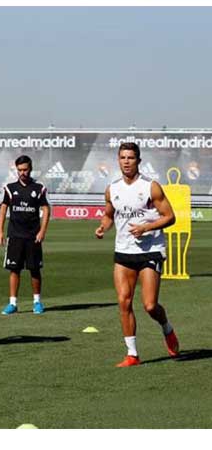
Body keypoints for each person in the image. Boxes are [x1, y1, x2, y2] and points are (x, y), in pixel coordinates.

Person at [95, 142, 179, 367]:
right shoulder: (112, 189)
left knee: (150, 305)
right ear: (118, 160)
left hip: (150, 250)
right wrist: (103, 226)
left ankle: (167, 328)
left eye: (130, 157)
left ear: (138, 161)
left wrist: (146, 228)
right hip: (123, 251)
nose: (126, 161)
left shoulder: (151, 187)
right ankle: (132, 354)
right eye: (122, 157)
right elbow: (109, 215)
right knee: (124, 302)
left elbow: (170, 217)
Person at [0, 155, 50, 315]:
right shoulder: (10, 188)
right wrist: (0, 231)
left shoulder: (38, 188)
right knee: (14, 269)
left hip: (33, 236)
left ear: (30, 168)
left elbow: (46, 209)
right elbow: (3, 209)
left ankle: (37, 302)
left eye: (25, 169)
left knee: (34, 270)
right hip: (15, 236)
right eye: (19, 170)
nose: (22, 173)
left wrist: (42, 231)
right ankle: (13, 303)